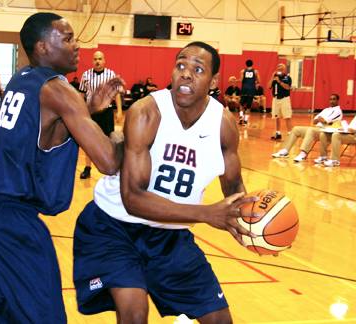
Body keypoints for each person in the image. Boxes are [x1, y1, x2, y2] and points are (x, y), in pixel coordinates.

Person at [73, 41, 258, 323]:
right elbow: (133, 198)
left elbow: (233, 186)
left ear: (214, 80)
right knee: (134, 313)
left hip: (170, 237)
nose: (186, 74)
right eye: (181, 66)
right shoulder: (147, 112)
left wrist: (253, 219)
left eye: (198, 69)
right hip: (113, 227)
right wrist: (207, 214)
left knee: (220, 319)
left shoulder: (223, 124)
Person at [0, 12, 124, 324]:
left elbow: (48, 129)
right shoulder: (60, 90)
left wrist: (87, 109)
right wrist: (137, 136)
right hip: (12, 224)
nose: (77, 46)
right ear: (42, 47)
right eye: (68, 38)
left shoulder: (22, 79)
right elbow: (107, 161)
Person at [78, 50, 123, 179]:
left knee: (110, 140)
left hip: (107, 112)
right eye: (95, 59)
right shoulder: (86, 75)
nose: (97, 61)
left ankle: (111, 168)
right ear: (92, 61)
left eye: (100, 59)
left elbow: (117, 94)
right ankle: (87, 167)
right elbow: (81, 95)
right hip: (91, 113)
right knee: (89, 141)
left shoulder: (111, 74)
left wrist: (119, 111)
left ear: (104, 60)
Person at [272, 94, 342, 162]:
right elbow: (315, 121)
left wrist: (321, 119)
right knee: (296, 129)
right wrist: (321, 119)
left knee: (310, 130)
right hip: (318, 128)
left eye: (334, 99)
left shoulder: (338, 111)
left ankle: (303, 153)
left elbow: (325, 121)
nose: (332, 101)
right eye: (330, 99)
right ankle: (285, 150)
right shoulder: (326, 109)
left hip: (325, 132)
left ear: (337, 100)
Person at [269, 63, 292, 140]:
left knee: (287, 116)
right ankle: (278, 133)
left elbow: (288, 87)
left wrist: (279, 82)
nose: (280, 69)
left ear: (284, 69)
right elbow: (269, 86)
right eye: (278, 68)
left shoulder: (287, 77)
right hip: (276, 99)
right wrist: (272, 77)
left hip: (284, 99)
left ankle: (290, 134)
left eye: (281, 68)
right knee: (276, 117)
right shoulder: (275, 77)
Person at [239, 59, 260, 124]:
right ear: (252, 64)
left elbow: (241, 80)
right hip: (251, 90)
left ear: (246, 64)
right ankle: (245, 120)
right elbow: (259, 80)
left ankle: (241, 117)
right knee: (248, 106)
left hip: (244, 89)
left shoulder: (243, 71)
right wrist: (255, 82)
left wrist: (236, 80)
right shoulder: (255, 71)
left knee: (241, 104)